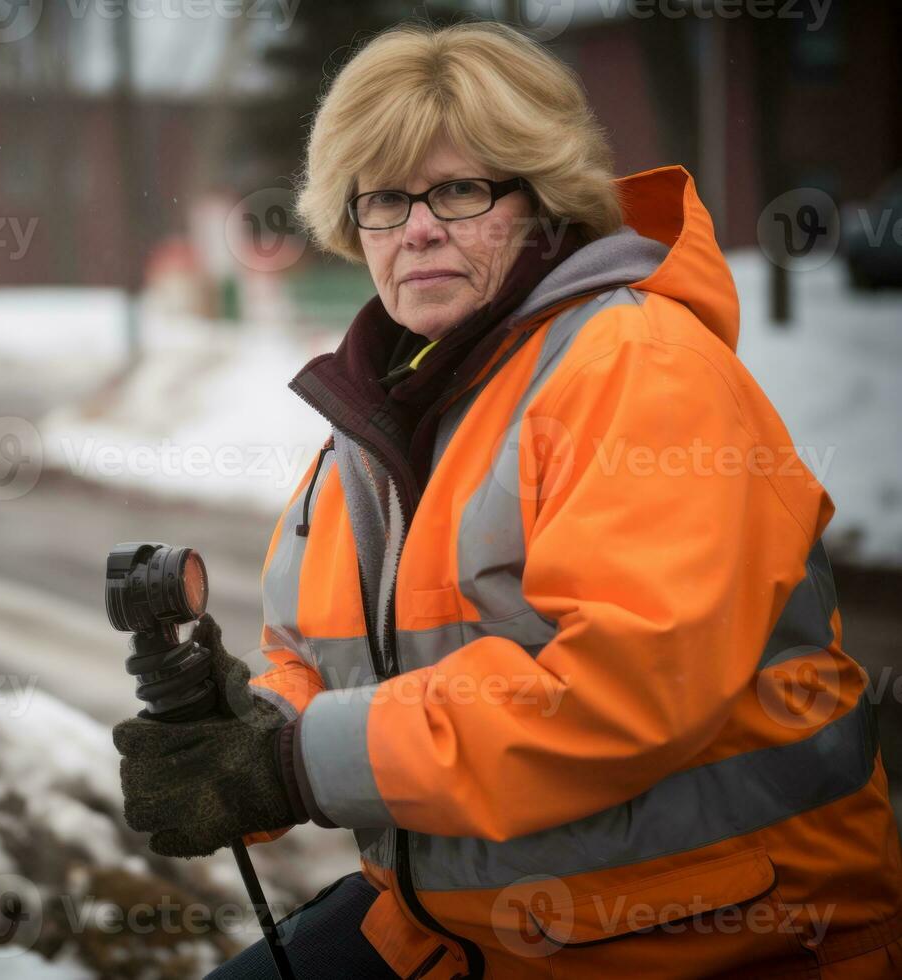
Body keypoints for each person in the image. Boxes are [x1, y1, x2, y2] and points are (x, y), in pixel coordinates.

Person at [114, 22, 902, 979]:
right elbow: (316, 656)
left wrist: (298, 763)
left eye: (458, 190)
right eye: (384, 198)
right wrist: (253, 727)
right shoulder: (388, 406)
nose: (417, 227)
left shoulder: (635, 370)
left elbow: (617, 692)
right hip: (464, 929)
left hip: (714, 938)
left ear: (544, 201)